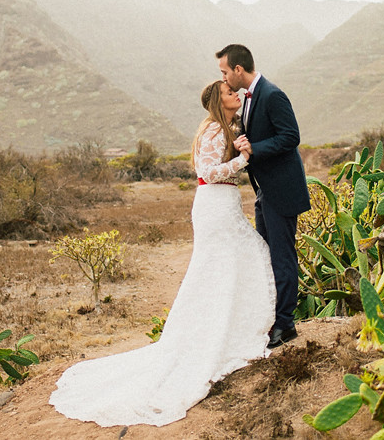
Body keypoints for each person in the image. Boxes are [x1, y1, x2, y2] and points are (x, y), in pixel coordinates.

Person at [49, 81, 275, 427]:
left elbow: (242, 109)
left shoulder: (227, 126)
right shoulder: (214, 129)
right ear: (219, 101)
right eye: (230, 93)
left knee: (228, 264)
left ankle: (228, 325)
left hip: (222, 204)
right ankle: (221, 332)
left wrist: (245, 115)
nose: (236, 95)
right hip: (215, 204)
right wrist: (243, 159)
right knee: (233, 259)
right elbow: (207, 172)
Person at [216, 43, 310, 348]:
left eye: (225, 71)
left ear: (238, 70)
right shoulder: (250, 98)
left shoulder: (272, 94)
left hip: (281, 191)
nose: (224, 78)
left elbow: (291, 136)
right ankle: (273, 319)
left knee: (282, 257)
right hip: (264, 191)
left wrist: (255, 148)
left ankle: (285, 325)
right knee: (268, 255)